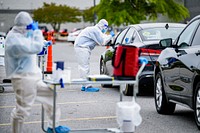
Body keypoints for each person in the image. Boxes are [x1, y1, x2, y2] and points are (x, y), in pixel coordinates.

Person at [4, 11, 70, 133]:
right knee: (22, 110)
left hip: (33, 77)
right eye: (29, 26)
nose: (31, 29)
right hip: (23, 79)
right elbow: (34, 47)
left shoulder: (20, 34)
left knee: (51, 96)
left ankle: (53, 126)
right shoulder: (13, 39)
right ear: (23, 26)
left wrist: (44, 42)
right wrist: (37, 32)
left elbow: (30, 41)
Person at [74, 19, 115, 92]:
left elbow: (103, 37)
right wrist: (110, 36)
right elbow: (103, 42)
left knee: (83, 66)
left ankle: (84, 85)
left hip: (82, 47)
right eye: (106, 28)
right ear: (103, 26)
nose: (106, 29)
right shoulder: (95, 30)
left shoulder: (96, 30)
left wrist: (109, 36)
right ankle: (87, 86)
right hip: (82, 48)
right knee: (84, 67)